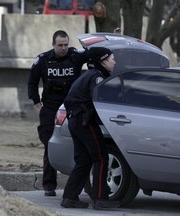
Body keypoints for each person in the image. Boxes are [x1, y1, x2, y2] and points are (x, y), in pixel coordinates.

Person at [27, 30, 96, 197]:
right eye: (60, 45)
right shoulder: (43, 60)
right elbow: (32, 82)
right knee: (50, 144)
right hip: (50, 108)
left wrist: (112, 38)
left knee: (80, 145)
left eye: (66, 44)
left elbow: (95, 53)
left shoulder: (75, 56)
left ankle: (80, 185)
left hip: (72, 107)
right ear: (53, 45)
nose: (64, 48)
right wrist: (37, 103)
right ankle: (49, 185)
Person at [61, 47, 119, 209]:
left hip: (75, 121)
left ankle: (69, 197)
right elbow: (100, 102)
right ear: (102, 61)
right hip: (85, 122)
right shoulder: (97, 78)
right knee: (101, 157)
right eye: (111, 59)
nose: (114, 62)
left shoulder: (87, 75)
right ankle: (101, 199)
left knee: (83, 160)